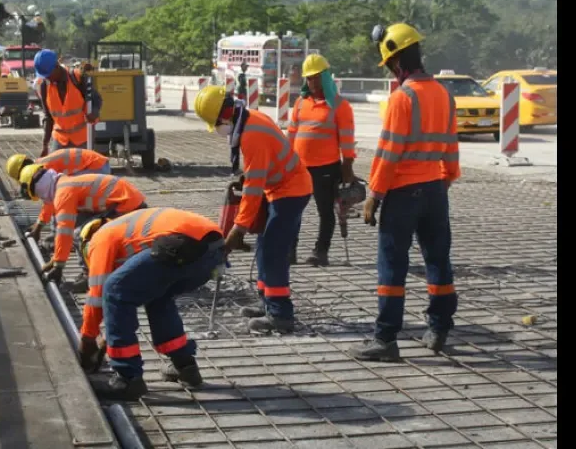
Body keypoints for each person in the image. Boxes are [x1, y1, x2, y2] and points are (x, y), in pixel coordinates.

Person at [348, 23, 460, 362]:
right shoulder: (444, 94)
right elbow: (451, 148)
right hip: (435, 189)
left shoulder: (402, 98)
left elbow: (388, 153)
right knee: (438, 261)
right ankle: (439, 328)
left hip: (402, 193)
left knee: (392, 267)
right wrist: (445, 180)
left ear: (396, 62)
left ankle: (385, 340)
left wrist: (374, 195)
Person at [193, 86, 313, 334]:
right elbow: (257, 174)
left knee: (273, 252)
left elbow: (254, 189)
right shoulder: (250, 121)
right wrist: (246, 177)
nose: (217, 128)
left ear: (226, 114)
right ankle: (268, 303)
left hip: (291, 191)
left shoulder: (251, 134)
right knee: (263, 247)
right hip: (280, 188)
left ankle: (281, 315)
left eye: (216, 122)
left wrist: (238, 228)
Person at [76, 207, 226, 400]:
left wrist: (88, 339)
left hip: (183, 244)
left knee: (114, 290)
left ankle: (128, 379)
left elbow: (98, 294)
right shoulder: (129, 231)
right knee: (158, 296)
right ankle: (185, 366)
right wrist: (113, 332)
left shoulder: (101, 238)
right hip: (213, 252)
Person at [18, 164, 147, 292]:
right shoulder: (62, 184)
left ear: (38, 188)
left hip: (127, 205)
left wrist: (58, 265)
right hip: (123, 200)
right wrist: (56, 257)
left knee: (80, 234)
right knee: (78, 225)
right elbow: (50, 207)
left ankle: (89, 277)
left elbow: (65, 231)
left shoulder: (63, 194)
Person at [287, 54, 357, 267]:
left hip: (326, 168)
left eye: (317, 77)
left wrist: (347, 165)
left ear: (326, 77)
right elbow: (291, 133)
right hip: (299, 167)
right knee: (291, 210)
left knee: (325, 211)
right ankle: (289, 251)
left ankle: (320, 252)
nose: (313, 82)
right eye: (309, 78)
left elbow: (346, 137)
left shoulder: (338, 105)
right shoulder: (300, 103)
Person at [32, 49, 103, 157]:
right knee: (54, 171)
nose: (47, 78)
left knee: (80, 171)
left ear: (57, 66)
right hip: (60, 139)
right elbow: (48, 117)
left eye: (48, 74)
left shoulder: (77, 78)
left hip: (82, 138)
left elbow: (96, 99)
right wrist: (45, 145)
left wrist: (94, 111)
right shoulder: (45, 86)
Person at [5, 149, 111, 183]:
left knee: (71, 191)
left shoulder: (44, 170)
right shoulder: (42, 165)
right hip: (98, 164)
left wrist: (41, 223)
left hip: (97, 167)